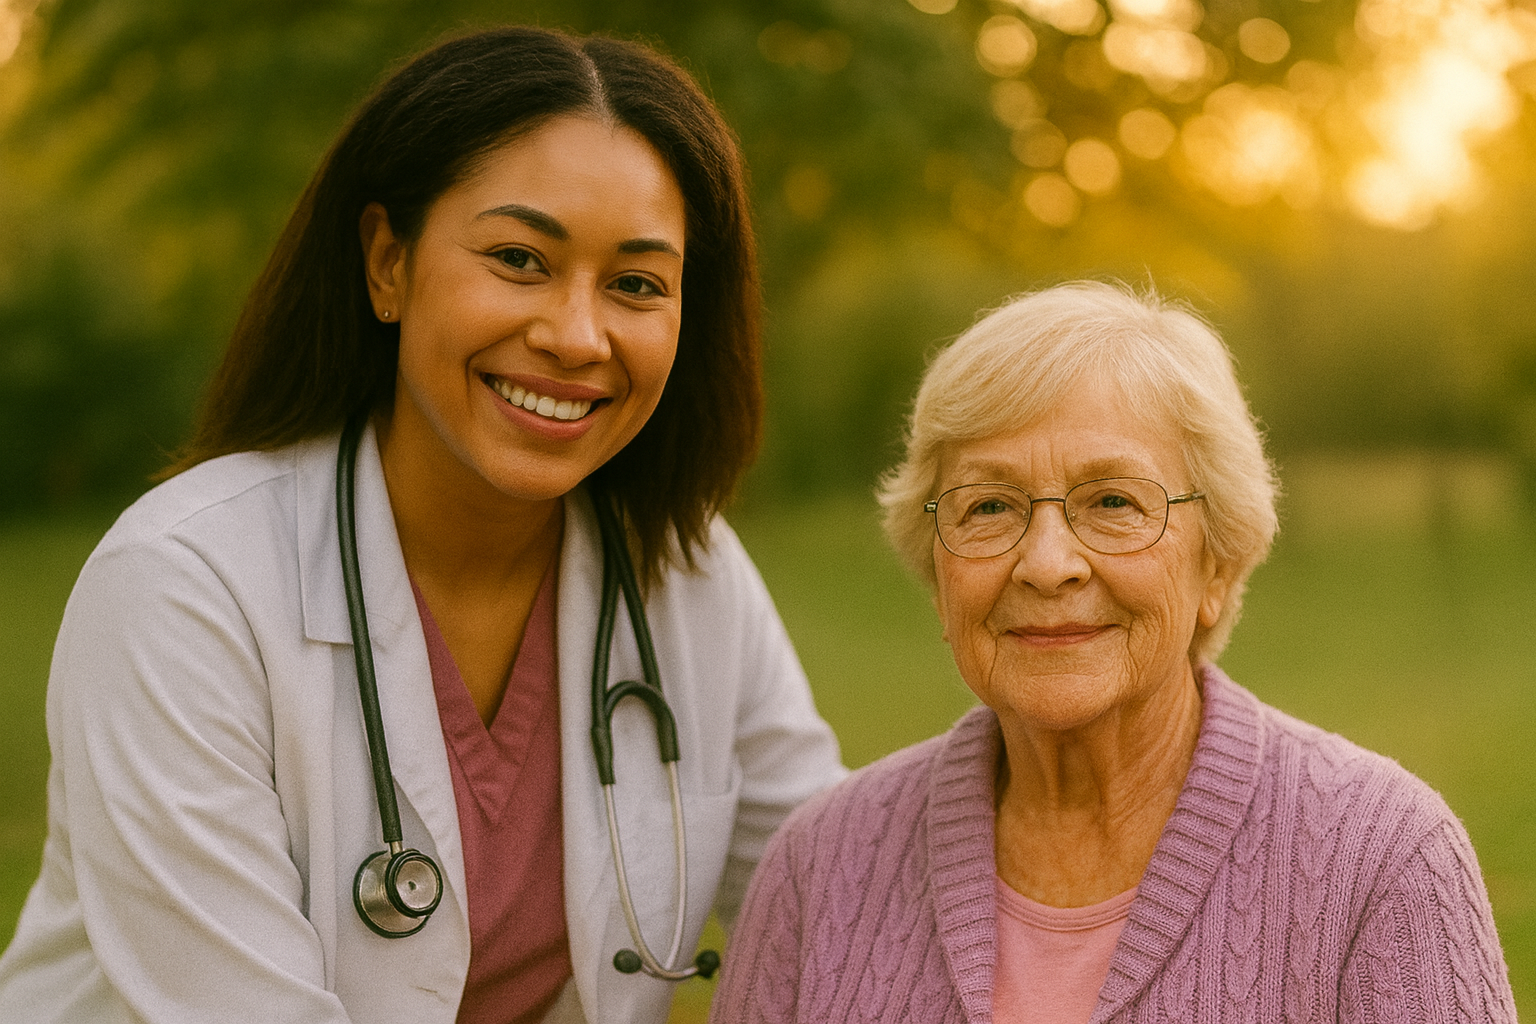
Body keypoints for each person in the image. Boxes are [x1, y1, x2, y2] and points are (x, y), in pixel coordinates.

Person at [0, 25, 845, 1024]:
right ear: (388, 263)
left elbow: (843, 903)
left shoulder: (684, 573)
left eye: (635, 284)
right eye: (519, 258)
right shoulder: (182, 587)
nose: (578, 336)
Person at [710, 282, 1516, 1023]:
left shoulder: (1384, 860)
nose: (1046, 563)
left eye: (1113, 501)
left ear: (1216, 565)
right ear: (938, 574)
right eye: (989, 506)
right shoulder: (816, 869)